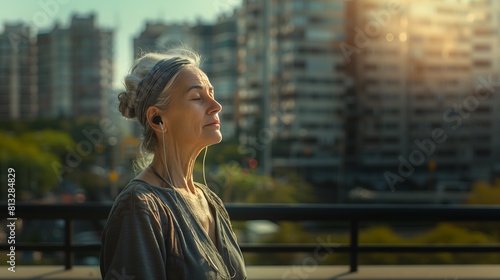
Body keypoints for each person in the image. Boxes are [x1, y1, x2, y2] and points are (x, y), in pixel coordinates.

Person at [100, 49, 247, 279]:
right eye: (198, 98)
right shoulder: (140, 207)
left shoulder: (210, 200)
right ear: (157, 119)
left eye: (212, 93)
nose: (216, 105)